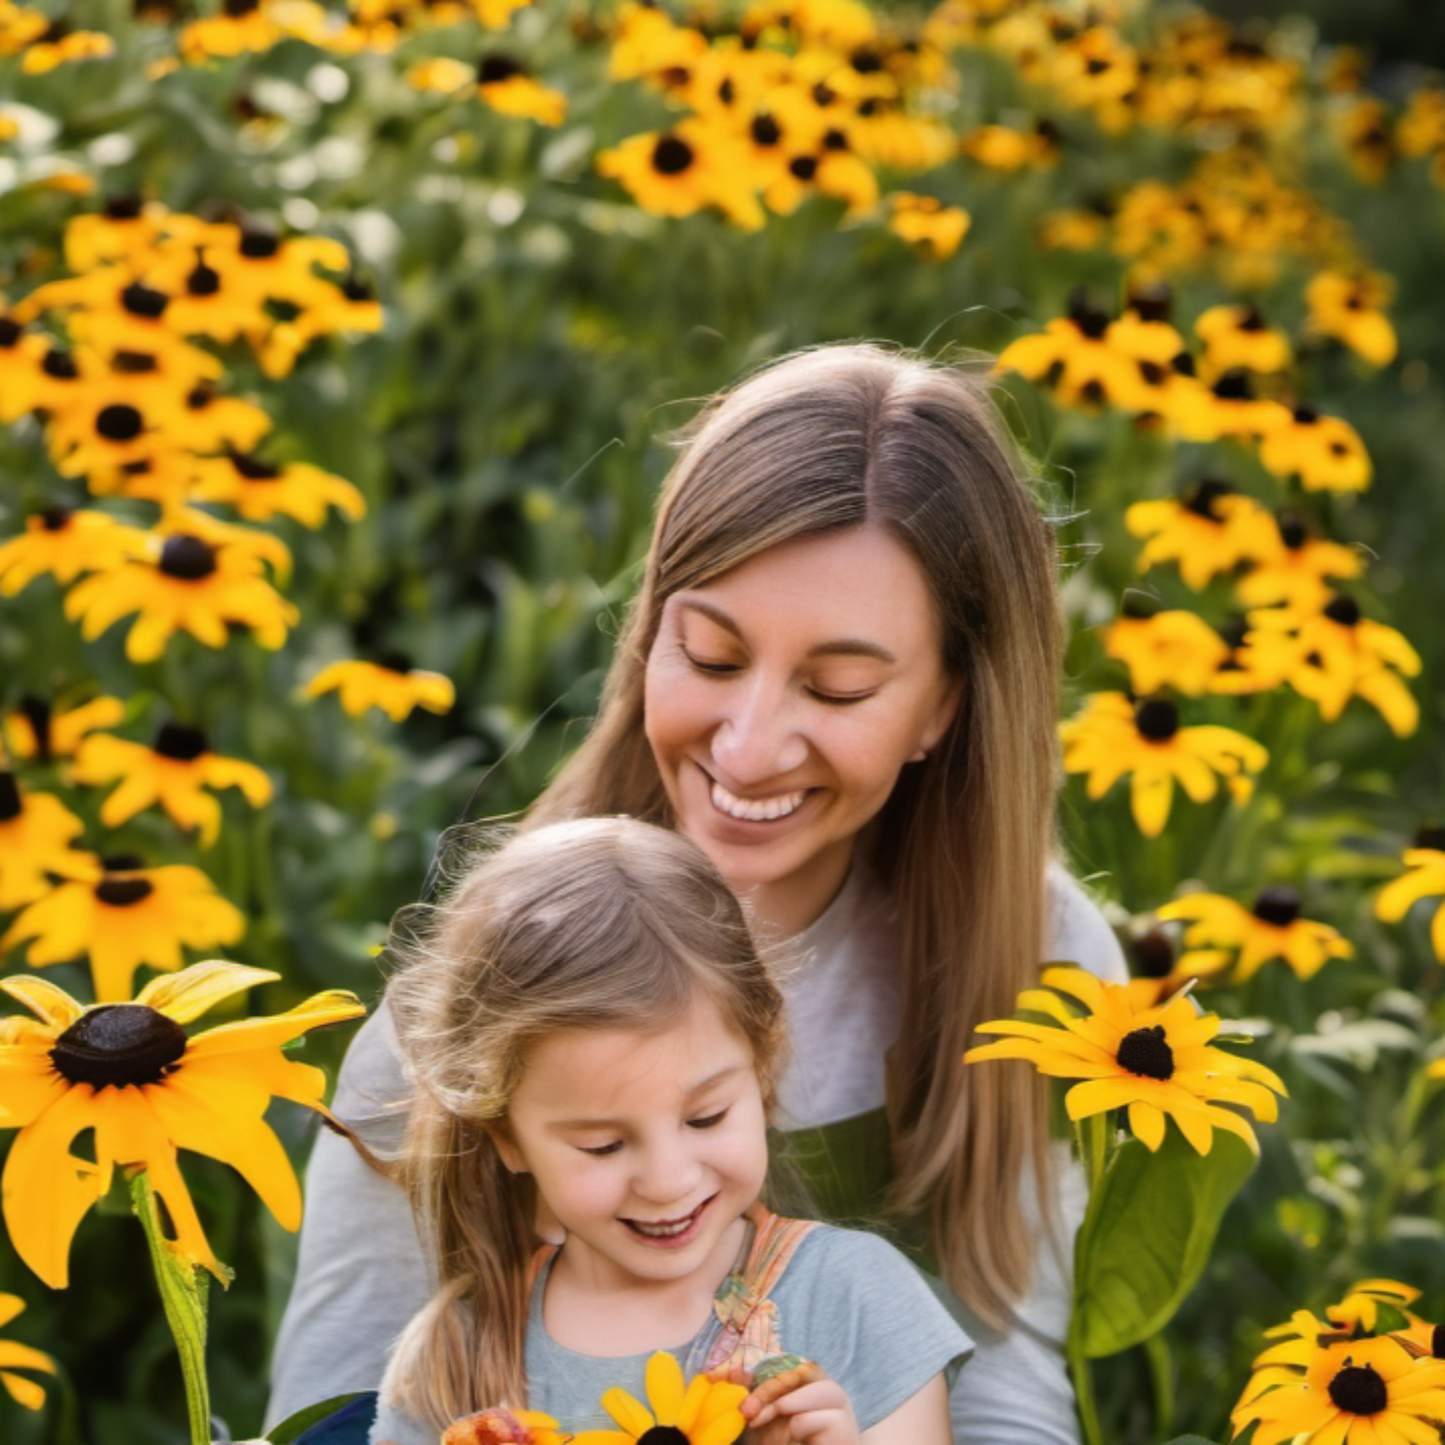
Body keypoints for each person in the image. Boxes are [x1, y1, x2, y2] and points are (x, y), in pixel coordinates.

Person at [268, 342, 1128, 1443]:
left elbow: (1007, 1384)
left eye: (838, 685)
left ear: (944, 705)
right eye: (711, 655)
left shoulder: (1043, 968)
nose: (749, 744)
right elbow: (332, 1408)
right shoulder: (484, 988)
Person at [361, 816, 968, 1445]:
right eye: (604, 1145)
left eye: (706, 1117)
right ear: (506, 1136)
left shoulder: (854, 1299)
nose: (668, 1180)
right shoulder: (458, 1357)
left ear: (760, 1068)